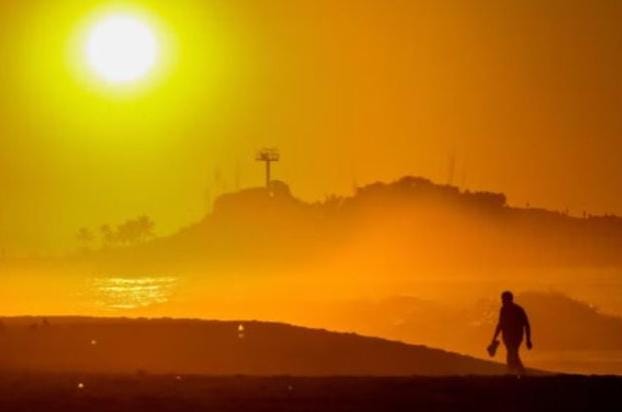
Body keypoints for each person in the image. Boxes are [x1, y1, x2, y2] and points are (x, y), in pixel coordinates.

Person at [490, 291, 532, 374]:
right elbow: (500, 324)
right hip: (506, 337)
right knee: (513, 354)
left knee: (512, 353)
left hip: (516, 337)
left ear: (510, 299)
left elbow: (526, 325)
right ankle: (520, 373)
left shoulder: (518, 310)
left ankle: (512, 373)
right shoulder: (503, 310)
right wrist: (494, 338)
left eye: (504, 299)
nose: (502, 301)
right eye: (502, 299)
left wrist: (528, 340)